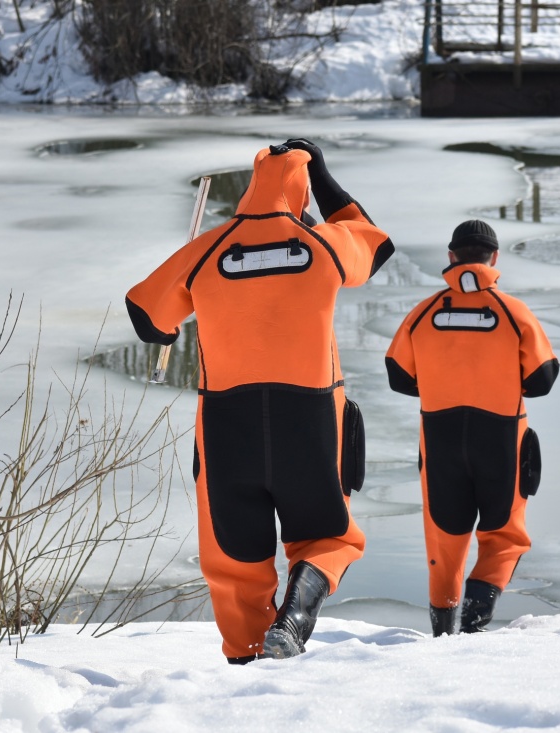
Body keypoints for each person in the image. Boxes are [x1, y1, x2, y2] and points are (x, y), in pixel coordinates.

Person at [125, 139, 393, 662]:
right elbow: (375, 244)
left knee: (235, 559)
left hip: (229, 424)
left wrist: (169, 327)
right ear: (301, 194)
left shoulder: (208, 247)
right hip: (311, 417)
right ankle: (293, 620)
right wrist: (325, 179)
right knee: (327, 537)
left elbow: (145, 315)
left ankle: (247, 664)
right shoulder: (324, 243)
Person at [384, 219, 559, 636]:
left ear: (451, 258)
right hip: (501, 437)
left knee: (445, 537)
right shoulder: (513, 313)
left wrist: (442, 385)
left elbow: (397, 375)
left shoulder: (424, 313)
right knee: (505, 535)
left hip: (440, 438)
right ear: (494, 258)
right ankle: (475, 622)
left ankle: (443, 629)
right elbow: (543, 380)